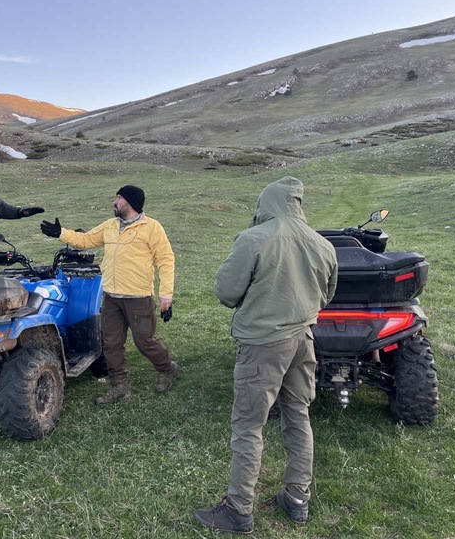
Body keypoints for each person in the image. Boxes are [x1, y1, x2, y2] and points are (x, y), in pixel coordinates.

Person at [195, 177, 338, 533]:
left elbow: (226, 292)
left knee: (248, 426)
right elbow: (326, 295)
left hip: (263, 344)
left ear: (265, 204)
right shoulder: (322, 244)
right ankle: (298, 498)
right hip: (304, 339)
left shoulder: (254, 239)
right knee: (298, 416)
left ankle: (239, 509)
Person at [40, 185, 178, 404]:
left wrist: (166, 295)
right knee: (111, 343)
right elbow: (86, 240)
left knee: (145, 341)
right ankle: (119, 386)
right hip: (112, 297)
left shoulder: (151, 227)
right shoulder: (110, 226)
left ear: (130, 202)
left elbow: (166, 259)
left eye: (119, 198)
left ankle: (166, 368)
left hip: (139, 298)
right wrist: (60, 233)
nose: (115, 202)